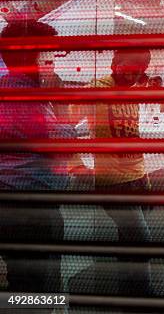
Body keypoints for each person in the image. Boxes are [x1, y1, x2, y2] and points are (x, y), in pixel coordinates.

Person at [69, 49, 153, 296]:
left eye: (143, 67)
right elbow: (63, 126)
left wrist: (144, 173)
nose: (138, 72)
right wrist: (76, 164)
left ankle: (128, 298)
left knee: (129, 246)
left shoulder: (132, 93)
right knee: (143, 243)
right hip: (113, 184)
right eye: (133, 65)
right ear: (115, 63)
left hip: (138, 179)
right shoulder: (97, 89)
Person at [0, 20, 74, 296]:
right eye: (48, 56)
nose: (52, 63)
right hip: (30, 211)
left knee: (27, 282)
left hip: (18, 204)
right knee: (36, 289)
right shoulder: (25, 99)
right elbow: (57, 143)